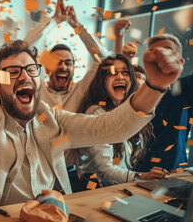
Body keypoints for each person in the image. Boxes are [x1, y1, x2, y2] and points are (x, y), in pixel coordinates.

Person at [0, 0, 183, 206]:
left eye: (31, 70)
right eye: (12, 72)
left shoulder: (53, 117)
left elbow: (112, 128)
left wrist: (155, 85)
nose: (24, 77)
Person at [71, 55, 167, 187]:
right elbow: (105, 170)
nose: (120, 77)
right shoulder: (96, 113)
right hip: (96, 193)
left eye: (125, 72)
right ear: (101, 81)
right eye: (112, 73)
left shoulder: (130, 114)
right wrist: (141, 176)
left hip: (120, 188)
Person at [24, 0, 111, 113]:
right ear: (47, 68)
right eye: (57, 62)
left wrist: (77, 26)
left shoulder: (81, 90)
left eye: (68, 63)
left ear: (74, 68)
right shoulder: (37, 88)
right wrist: (54, 20)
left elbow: (104, 58)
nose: (63, 66)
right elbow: (24, 49)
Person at [136, 34, 193, 171]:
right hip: (130, 173)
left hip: (168, 174)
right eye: (154, 51)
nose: (161, 54)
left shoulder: (187, 88)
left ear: (180, 61)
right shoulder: (136, 93)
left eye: (167, 49)